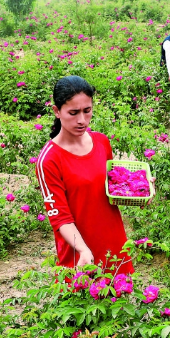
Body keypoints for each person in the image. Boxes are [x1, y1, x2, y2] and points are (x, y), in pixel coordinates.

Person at [36, 76, 134, 275]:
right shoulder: (49, 159)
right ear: (57, 111)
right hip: (79, 252)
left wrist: (138, 189)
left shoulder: (101, 142)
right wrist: (82, 250)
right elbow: (59, 216)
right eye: (73, 113)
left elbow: (112, 188)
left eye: (87, 111)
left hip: (114, 244)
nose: (81, 120)